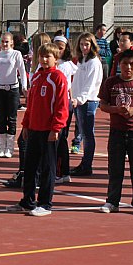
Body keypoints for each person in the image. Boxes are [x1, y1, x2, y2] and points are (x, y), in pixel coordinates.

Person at [6, 43, 69, 217]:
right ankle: (27, 201)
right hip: (34, 128)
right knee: (30, 166)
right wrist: (26, 125)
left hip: (49, 130)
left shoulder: (58, 78)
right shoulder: (36, 78)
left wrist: (56, 128)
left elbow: (62, 106)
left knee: (48, 167)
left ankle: (45, 203)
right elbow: (31, 105)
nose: (43, 59)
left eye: (48, 56)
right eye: (41, 56)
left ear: (55, 59)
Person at [99, 49, 133, 216]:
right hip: (116, 131)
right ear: (119, 65)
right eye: (125, 64)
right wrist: (116, 109)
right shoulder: (111, 83)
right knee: (115, 168)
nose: (128, 67)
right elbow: (103, 104)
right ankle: (112, 201)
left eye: (132, 64)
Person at [3, 32, 51, 188]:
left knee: (29, 144)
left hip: (43, 116)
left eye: (33, 45)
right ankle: (27, 174)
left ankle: (30, 175)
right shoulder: (37, 68)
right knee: (26, 142)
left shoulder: (48, 71)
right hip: (34, 112)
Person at [0, 32, 27, 158]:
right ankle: (2, 147)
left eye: (7, 42)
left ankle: (10, 148)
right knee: (1, 118)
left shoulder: (16, 54)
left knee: (12, 118)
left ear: (12, 43)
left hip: (12, 89)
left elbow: (22, 71)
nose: (4, 44)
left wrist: (24, 87)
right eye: (3, 41)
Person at [70, 32, 103, 177]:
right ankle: (85, 163)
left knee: (88, 134)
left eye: (87, 44)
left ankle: (87, 164)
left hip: (88, 101)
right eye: (82, 44)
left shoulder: (93, 62)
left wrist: (80, 99)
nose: (84, 47)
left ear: (92, 45)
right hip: (79, 100)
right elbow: (77, 81)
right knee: (83, 132)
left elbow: (90, 84)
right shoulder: (81, 60)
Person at [53, 34, 77, 184]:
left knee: (60, 138)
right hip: (57, 103)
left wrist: (73, 98)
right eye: (55, 47)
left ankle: (61, 171)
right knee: (58, 139)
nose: (58, 50)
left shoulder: (64, 65)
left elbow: (68, 85)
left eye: (61, 48)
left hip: (62, 104)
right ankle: (62, 171)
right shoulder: (54, 62)